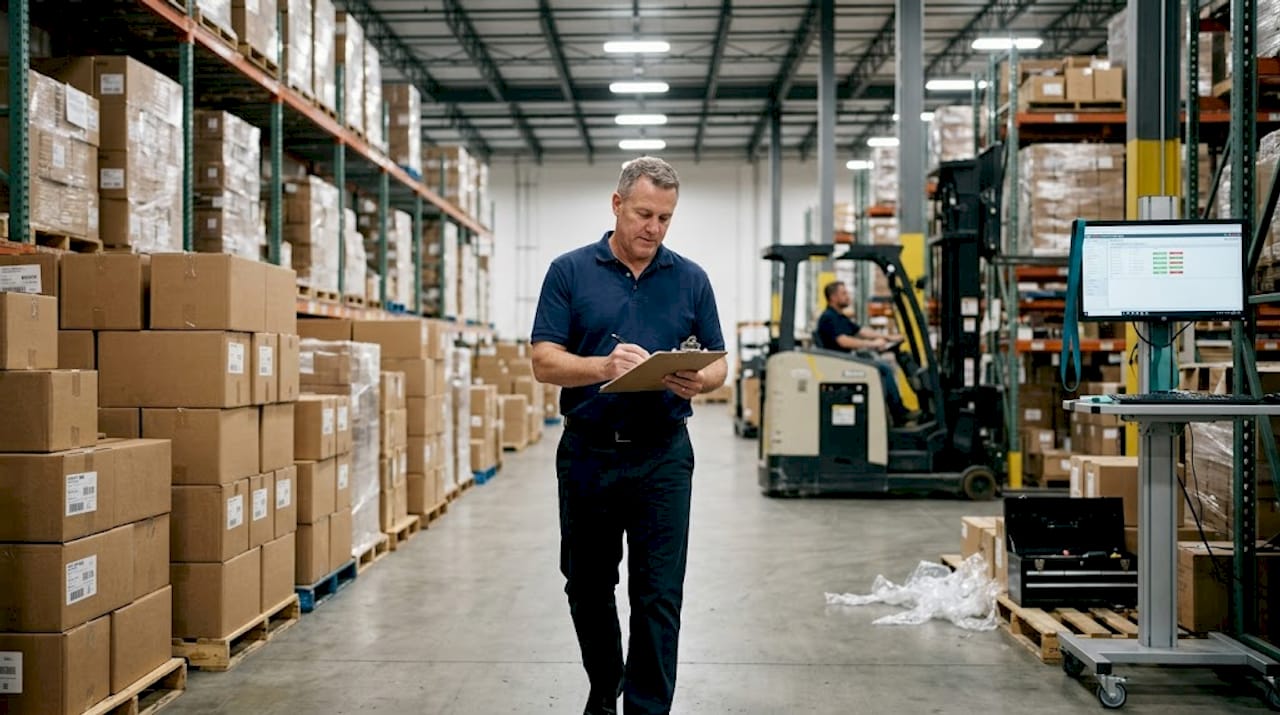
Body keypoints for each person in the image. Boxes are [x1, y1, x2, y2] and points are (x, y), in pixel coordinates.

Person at [530, 156, 727, 715]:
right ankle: (605, 686)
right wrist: (602, 367)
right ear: (617, 205)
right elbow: (543, 361)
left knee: (658, 592)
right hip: (588, 453)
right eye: (644, 214)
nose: (654, 228)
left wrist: (700, 380)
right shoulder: (569, 271)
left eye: (665, 218)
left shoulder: (691, 279)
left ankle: (647, 709)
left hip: (663, 455)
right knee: (587, 585)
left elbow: (719, 363)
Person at [815, 281, 920, 425]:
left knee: (878, 363)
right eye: (843, 293)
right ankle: (899, 413)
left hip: (843, 360)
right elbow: (843, 341)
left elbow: (861, 331)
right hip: (839, 364)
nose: (848, 296)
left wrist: (888, 337)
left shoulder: (838, 316)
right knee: (884, 369)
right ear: (833, 297)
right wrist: (873, 344)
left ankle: (896, 412)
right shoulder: (828, 317)